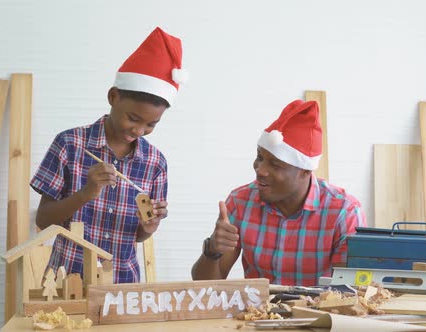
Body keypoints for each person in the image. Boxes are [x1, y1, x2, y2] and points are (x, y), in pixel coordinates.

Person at [31, 27, 186, 284]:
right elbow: (43, 220)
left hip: (122, 285)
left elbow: (136, 236)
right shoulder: (70, 144)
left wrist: (148, 227)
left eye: (151, 125)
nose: (138, 131)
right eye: (133, 118)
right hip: (67, 279)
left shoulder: (155, 163)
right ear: (113, 96)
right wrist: (86, 193)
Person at [191, 100, 366, 286]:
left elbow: (350, 291)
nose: (260, 170)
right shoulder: (240, 202)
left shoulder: (343, 212)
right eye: (260, 157)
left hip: (319, 313)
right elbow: (205, 287)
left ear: (305, 171)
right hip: (259, 314)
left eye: (275, 165)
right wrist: (212, 250)